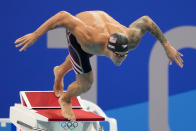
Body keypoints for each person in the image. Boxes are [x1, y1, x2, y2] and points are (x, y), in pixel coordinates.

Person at [14, 10, 183, 121]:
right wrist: (35, 35)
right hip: (80, 32)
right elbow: (63, 16)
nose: (122, 59)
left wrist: (167, 45)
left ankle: (59, 71)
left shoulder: (131, 39)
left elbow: (146, 21)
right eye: (118, 55)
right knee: (86, 82)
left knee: (83, 59)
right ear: (109, 50)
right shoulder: (89, 38)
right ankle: (65, 99)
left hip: (100, 27)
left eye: (125, 55)